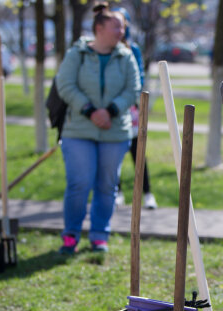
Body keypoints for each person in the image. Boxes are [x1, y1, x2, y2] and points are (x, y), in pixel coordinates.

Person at [55, 1, 140, 254]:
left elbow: (133, 89)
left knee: (106, 185)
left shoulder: (126, 56)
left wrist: (111, 111)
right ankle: (71, 234)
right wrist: (90, 111)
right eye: (117, 27)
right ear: (99, 28)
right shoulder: (77, 53)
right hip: (79, 130)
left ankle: (99, 235)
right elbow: (65, 85)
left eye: (123, 28)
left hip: (114, 131)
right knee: (79, 183)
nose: (121, 32)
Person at [112, 6, 157, 210]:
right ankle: (117, 190)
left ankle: (147, 192)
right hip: (112, 109)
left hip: (130, 108)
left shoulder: (132, 49)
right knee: (112, 153)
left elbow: (139, 77)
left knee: (137, 149)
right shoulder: (107, 48)